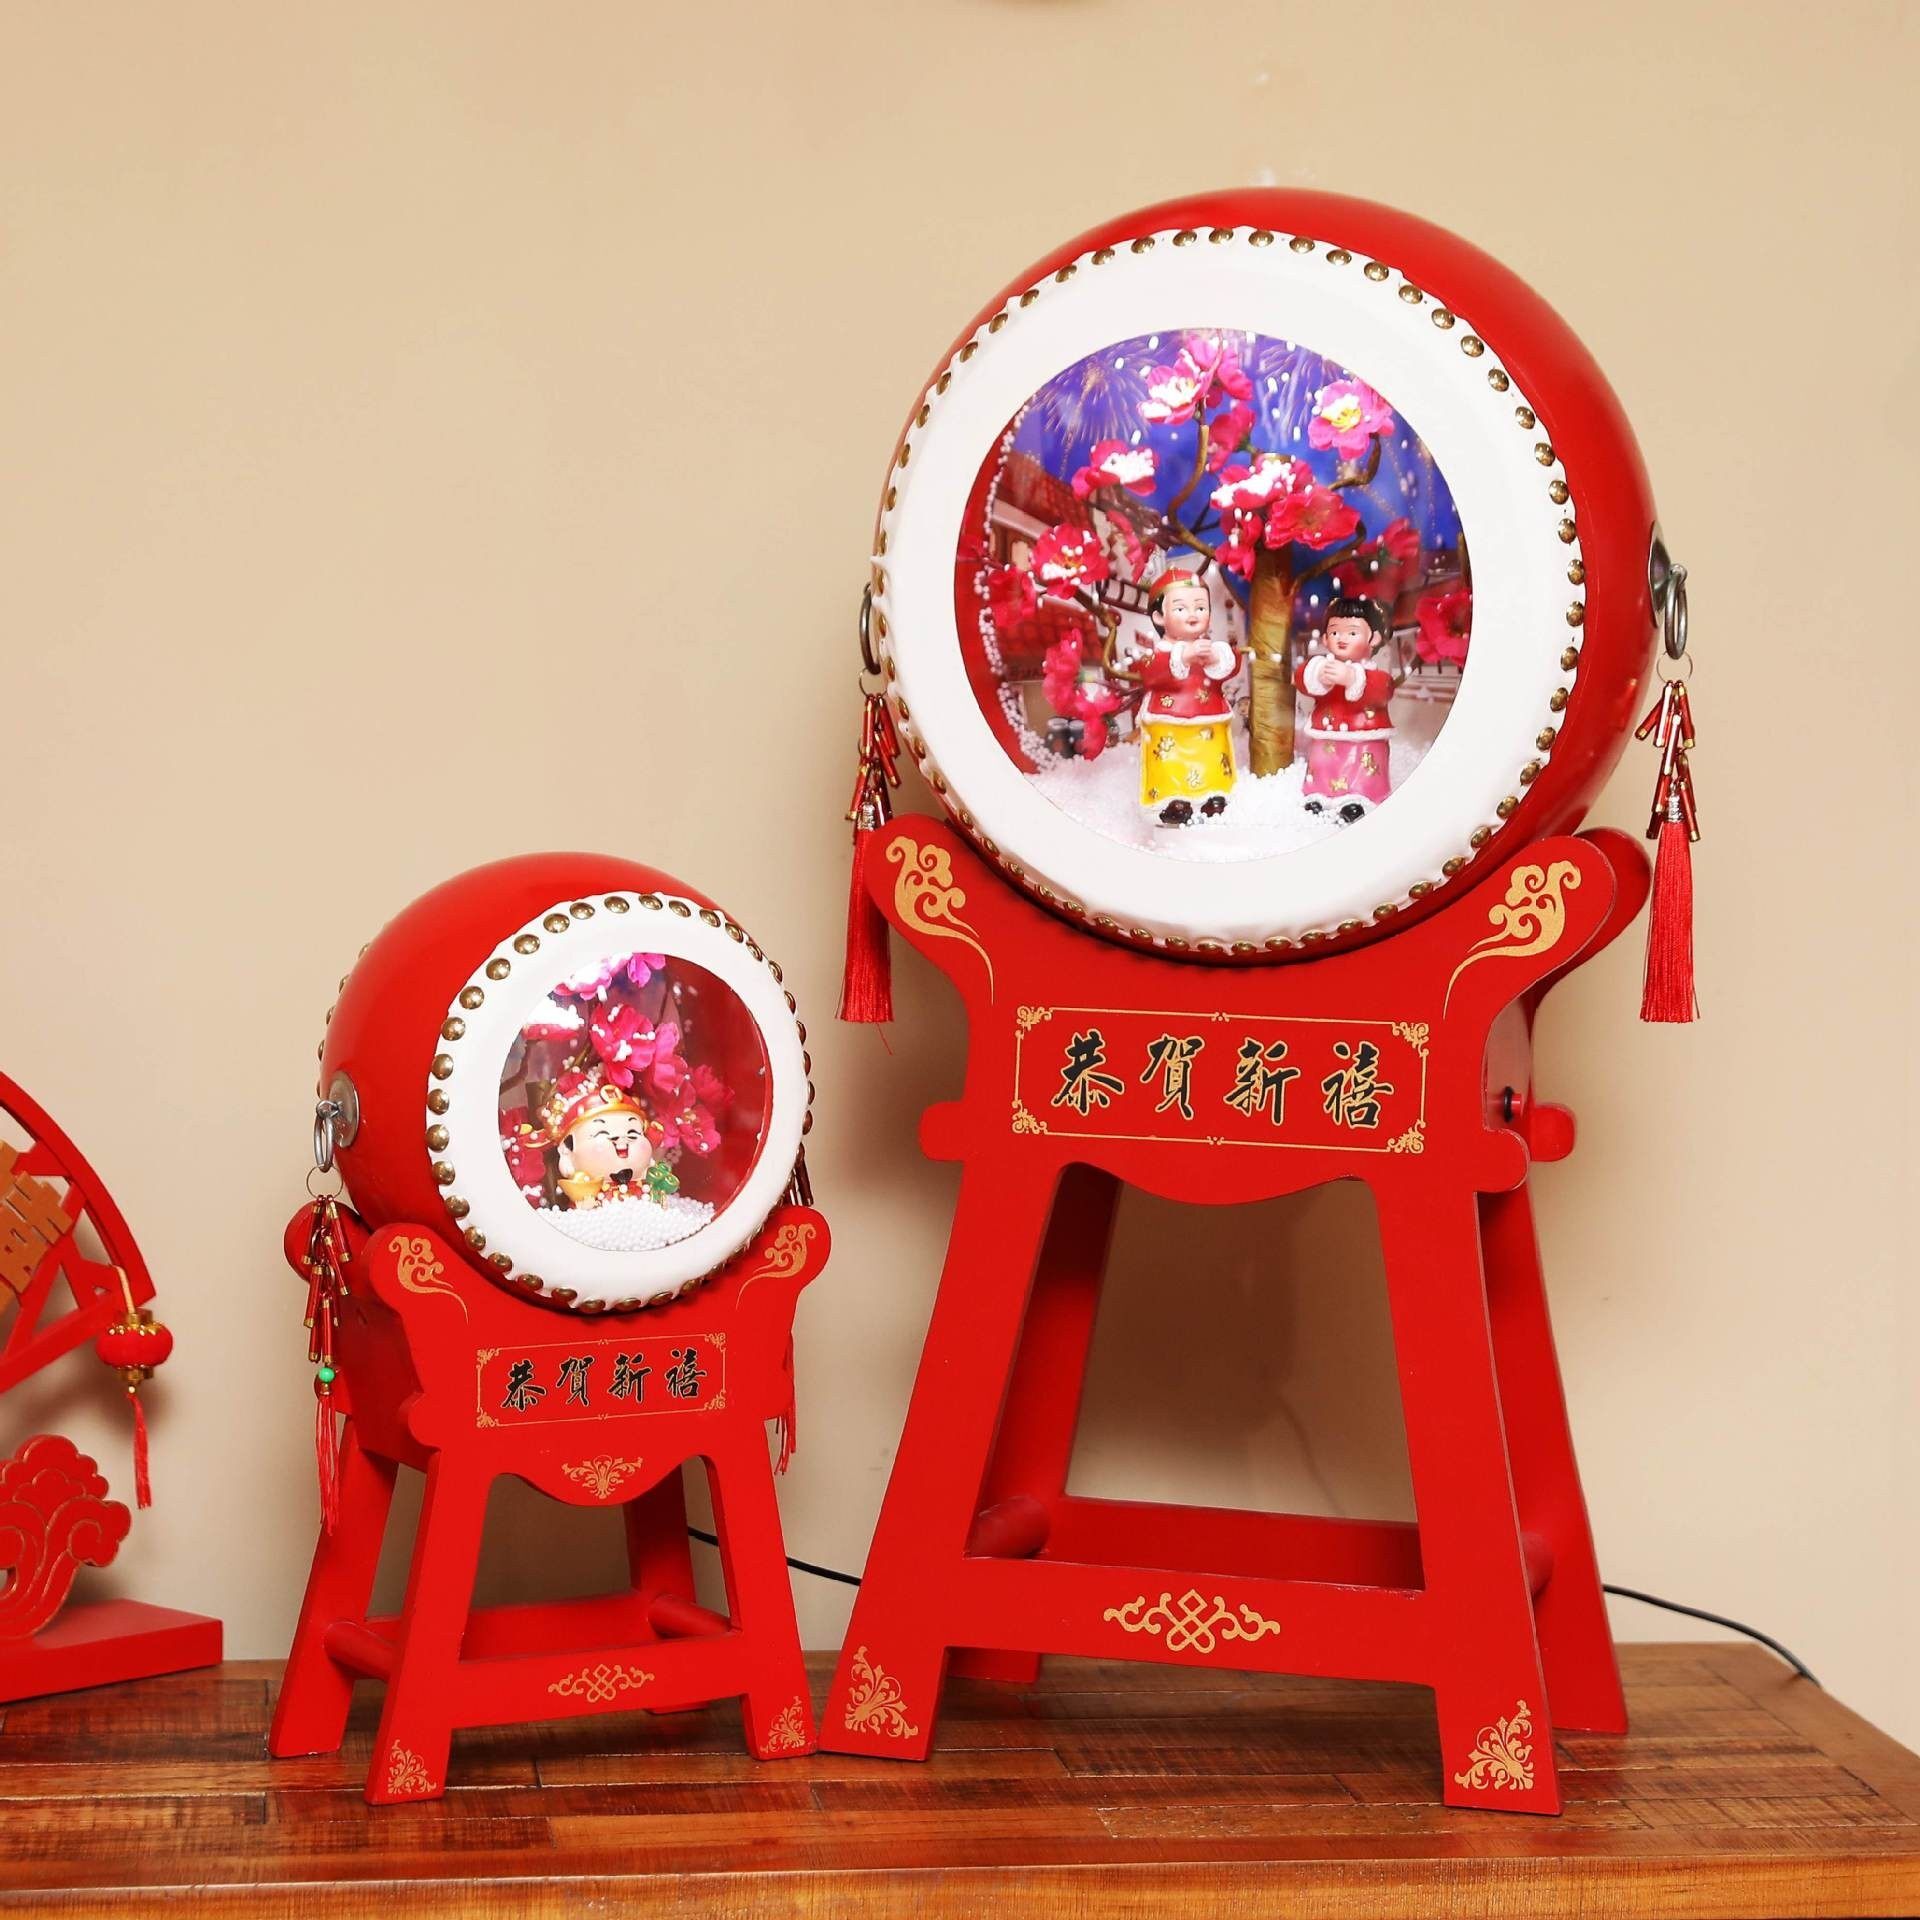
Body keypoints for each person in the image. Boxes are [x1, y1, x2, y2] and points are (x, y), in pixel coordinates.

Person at [1128, 564, 1238, 827]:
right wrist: (1184, 657)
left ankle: (1213, 794)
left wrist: (1216, 658)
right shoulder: (1160, 652)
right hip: (1168, 718)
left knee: (1210, 755)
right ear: (1159, 616)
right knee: (1170, 759)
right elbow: (1149, 671)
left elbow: (1231, 668)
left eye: (1200, 607)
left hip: (1209, 716)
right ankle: (1174, 799)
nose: (1193, 614)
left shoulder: (1213, 648)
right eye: (1180, 608)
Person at [1296, 595, 1395, 823]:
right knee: (1324, 763)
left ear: (1374, 638)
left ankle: (1358, 797)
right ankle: (1320, 795)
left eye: (1352, 633)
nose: (1341, 638)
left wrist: (1353, 679)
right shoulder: (1324, 667)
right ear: (1325, 638)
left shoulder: (1374, 675)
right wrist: (1316, 675)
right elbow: (1300, 679)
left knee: (1362, 764)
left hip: (1364, 736)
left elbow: (1383, 691)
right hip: (1327, 733)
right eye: (1334, 632)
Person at [540, 1069, 655, 1210]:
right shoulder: (588, 1201)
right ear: (567, 1149)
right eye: (602, 1133)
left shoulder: (647, 1192)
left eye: (633, 1133)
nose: (622, 1142)